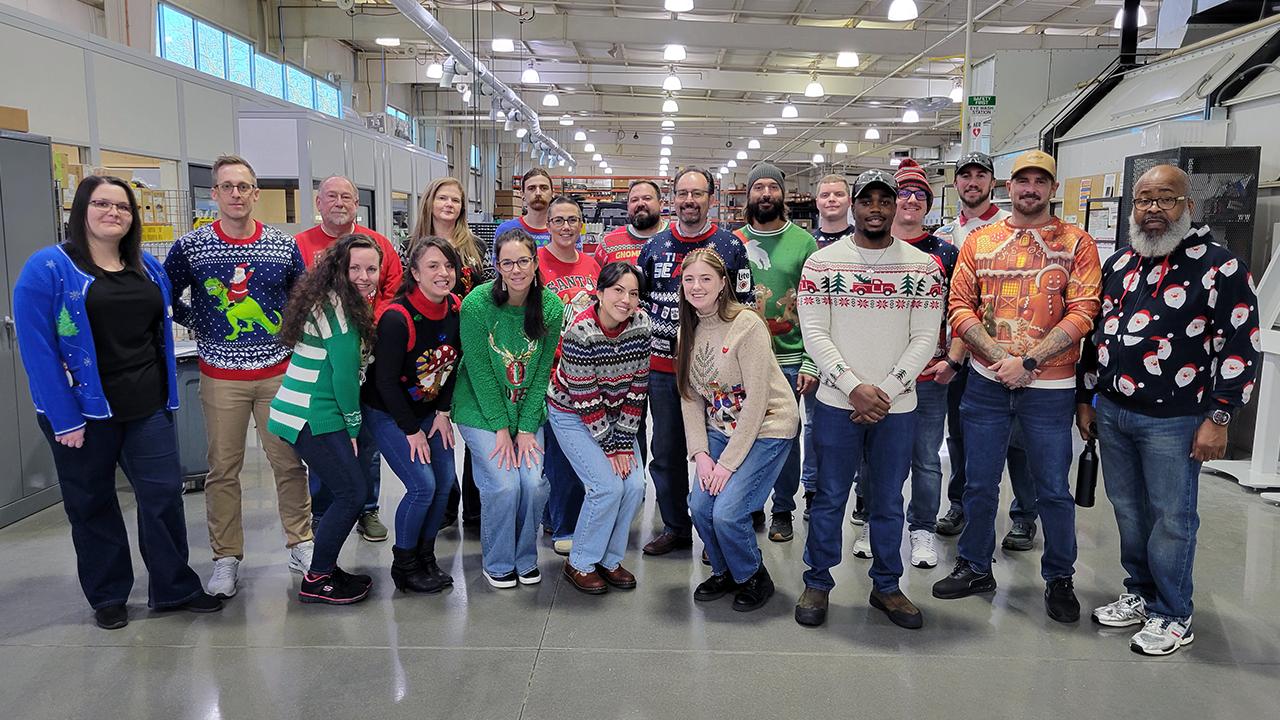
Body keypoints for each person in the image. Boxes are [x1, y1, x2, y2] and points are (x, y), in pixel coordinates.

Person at [13, 176, 223, 630]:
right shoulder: (48, 268)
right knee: (92, 502)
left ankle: (174, 587)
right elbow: (38, 349)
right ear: (81, 211)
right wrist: (65, 417)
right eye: (102, 204)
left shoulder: (148, 267)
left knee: (162, 498)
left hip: (147, 405)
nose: (114, 213)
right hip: (83, 412)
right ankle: (108, 594)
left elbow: (158, 333)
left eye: (123, 207)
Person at [1078, 164, 1260, 656]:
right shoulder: (1119, 265)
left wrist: (1219, 418)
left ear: (1188, 207)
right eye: (1144, 201)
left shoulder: (1220, 268)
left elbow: (1241, 347)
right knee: (1129, 511)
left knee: (1172, 517)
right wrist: (1087, 398)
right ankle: (1140, 592)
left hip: (1176, 421)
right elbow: (1100, 339)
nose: (1153, 210)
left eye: (1166, 199)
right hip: (1114, 412)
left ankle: (1174, 613)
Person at [933, 149, 1101, 624]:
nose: (1030, 189)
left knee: (1051, 489)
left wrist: (1028, 361)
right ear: (1009, 187)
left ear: (1052, 188)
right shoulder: (980, 242)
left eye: (1040, 181)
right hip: (987, 385)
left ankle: (1060, 577)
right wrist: (998, 359)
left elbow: (1084, 310)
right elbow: (959, 307)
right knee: (979, 484)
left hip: (1051, 389)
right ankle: (974, 565)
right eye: (1022, 181)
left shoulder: (1077, 243)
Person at [795, 170, 943, 630]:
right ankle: (818, 580)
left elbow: (925, 337)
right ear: (854, 207)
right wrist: (851, 385)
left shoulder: (924, 267)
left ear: (897, 205)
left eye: (885, 200)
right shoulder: (822, 264)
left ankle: (887, 586)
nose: (876, 209)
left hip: (896, 409)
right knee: (829, 497)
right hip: (839, 404)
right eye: (867, 200)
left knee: (886, 499)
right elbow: (814, 331)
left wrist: (888, 389)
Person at [164, 155, 311, 599]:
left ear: (255, 194)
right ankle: (226, 557)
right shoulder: (193, 247)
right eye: (227, 186)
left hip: (277, 375)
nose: (235, 194)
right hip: (220, 375)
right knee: (223, 469)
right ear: (215, 194)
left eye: (243, 186)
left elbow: (301, 300)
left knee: (288, 462)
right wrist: (202, 321)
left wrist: (287, 339)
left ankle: (301, 542)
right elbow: (167, 295)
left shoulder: (281, 247)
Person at [636, 166, 755, 556]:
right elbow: (640, 304)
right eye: (683, 193)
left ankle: (714, 527)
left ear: (711, 197)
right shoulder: (653, 248)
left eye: (698, 193)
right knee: (667, 452)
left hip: (719, 374)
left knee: (719, 451)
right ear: (673, 198)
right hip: (664, 369)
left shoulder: (731, 246)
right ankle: (676, 527)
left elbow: (745, 306)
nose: (690, 200)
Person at [677, 249, 798, 612]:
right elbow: (690, 398)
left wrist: (726, 465)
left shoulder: (747, 324)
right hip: (721, 427)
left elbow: (758, 401)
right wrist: (700, 455)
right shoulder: (688, 330)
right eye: (689, 280)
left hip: (767, 425)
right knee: (699, 506)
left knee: (728, 512)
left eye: (705, 279)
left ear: (722, 284)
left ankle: (752, 576)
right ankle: (726, 570)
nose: (696, 287)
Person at [267, 234, 381, 605]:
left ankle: (325, 568)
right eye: (355, 268)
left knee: (344, 490)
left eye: (371, 268)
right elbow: (344, 376)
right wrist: (352, 427)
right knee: (352, 493)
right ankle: (317, 579)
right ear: (339, 270)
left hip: (309, 409)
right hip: (311, 413)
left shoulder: (338, 301)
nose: (364, 276)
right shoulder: (338, 309)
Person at [451, 229, 564, 588]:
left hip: (527, 412)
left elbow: (543, 370)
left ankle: (525, 557)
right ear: (497, 266)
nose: (516, 270)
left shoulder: (550, 307)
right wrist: (502, 428)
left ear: (535, 262)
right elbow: (480, 373)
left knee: (531, 484)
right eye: (507, 262)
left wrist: (527, 428)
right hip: (482, 411)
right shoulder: (476, 304)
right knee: (503, 485)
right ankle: (498, 561)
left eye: (523, 261)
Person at [294, 175, 403, 543]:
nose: (339, 202)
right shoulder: (301, 245)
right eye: (331, 196)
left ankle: (367, 509)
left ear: (356, 203)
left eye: (346, 196)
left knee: (366, 444)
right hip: (322, 365)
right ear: (318, 202)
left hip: (366, 360)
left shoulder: (379, 244)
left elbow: (392, 290)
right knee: (327, 444)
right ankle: (323, 512)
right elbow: (294, 295)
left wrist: (366, 324)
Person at [362, 237, 464, 594]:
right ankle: (404, 564)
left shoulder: (456, 307)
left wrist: (442, 412)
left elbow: (454, 365)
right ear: (416, 272)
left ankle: (426, 556)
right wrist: (411, 430)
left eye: (448, 266)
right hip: (389, 414)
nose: (443, 273)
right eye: (433, 266)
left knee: (445, 481)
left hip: (429, 412)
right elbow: (385, 383)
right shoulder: (397, 317)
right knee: (422, 486)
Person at [547, 262, 652, 594]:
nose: (625, 299)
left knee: (633, 486)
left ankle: (608, 559)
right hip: (573, 414)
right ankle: (579, 562)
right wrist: (613, 448)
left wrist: (623, 442)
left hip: (619, 416)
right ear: (600, 292)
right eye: (618, 290)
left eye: (633, 293)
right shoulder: (580, 331)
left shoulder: (641, 326)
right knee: (606, 486)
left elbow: (638, 388)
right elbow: (586, 399)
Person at [732, 162, 818, 544]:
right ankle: (748, 503)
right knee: (742, 432)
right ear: (748, 195)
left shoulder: (804, 243)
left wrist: (811, 361)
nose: (765, 193)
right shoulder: (732, 241)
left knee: (784, 436)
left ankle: (783, 508)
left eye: (772, 187)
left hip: (788, 358)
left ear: (782, 194)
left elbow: (818, 307)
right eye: (758, 188)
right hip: (741, 358)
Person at [888, 158, 963, 570]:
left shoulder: (945, 254)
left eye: (920, 194)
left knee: (926, 457)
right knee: (878, 455)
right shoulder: (875, 247)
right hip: (880, 373)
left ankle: (922, 530)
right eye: (903, 192)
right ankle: (873, 521)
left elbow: (964, 310)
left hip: (931, 374)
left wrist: (954, 359)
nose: (911, 200)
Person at [933, 151, 1012, 537]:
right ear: (956, 184)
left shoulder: (1010, 227)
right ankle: (960, 504)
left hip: (1006, 354)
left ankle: (1024, 515)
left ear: (994, 183)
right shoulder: (948, 236)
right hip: (957, 354)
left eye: (981, 175)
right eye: (965, 176)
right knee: (960, 432)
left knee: (1018, 440)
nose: (973, 182)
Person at [412, 177, 491, 530]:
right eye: (442, 198)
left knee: (475, 425)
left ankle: (476, 507)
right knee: (435, 427)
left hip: (469, 342)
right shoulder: (411, 245)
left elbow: (489, 289)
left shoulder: (474, 245)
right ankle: (445, 503)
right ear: (430, 202)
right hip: (429, 348)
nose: (449, 204)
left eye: (456, 200)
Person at [538, 196, 602, 555]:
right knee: (558, 455)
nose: (566, 227)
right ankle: (562, 524)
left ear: (581, 225)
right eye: (558, 220)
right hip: (550, 372)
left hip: (586, 372)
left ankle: (559, 518)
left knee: (581, 450)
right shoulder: (535, 264)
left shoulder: (592, 264)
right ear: (547, 225)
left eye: (572, 220)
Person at [595, 179, 667, 266]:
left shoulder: (677, 238)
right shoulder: (608, 243)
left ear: (661, 205)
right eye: (634, 200)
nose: (640, 204)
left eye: (647, 198)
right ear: (628, 206)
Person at [493, 167, 554, 250]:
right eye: (531, 188)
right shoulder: (505, 230)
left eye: (544, 188)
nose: (538, 193)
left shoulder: (564, 231)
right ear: (522, 194)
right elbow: (498, 262)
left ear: (552, 193)